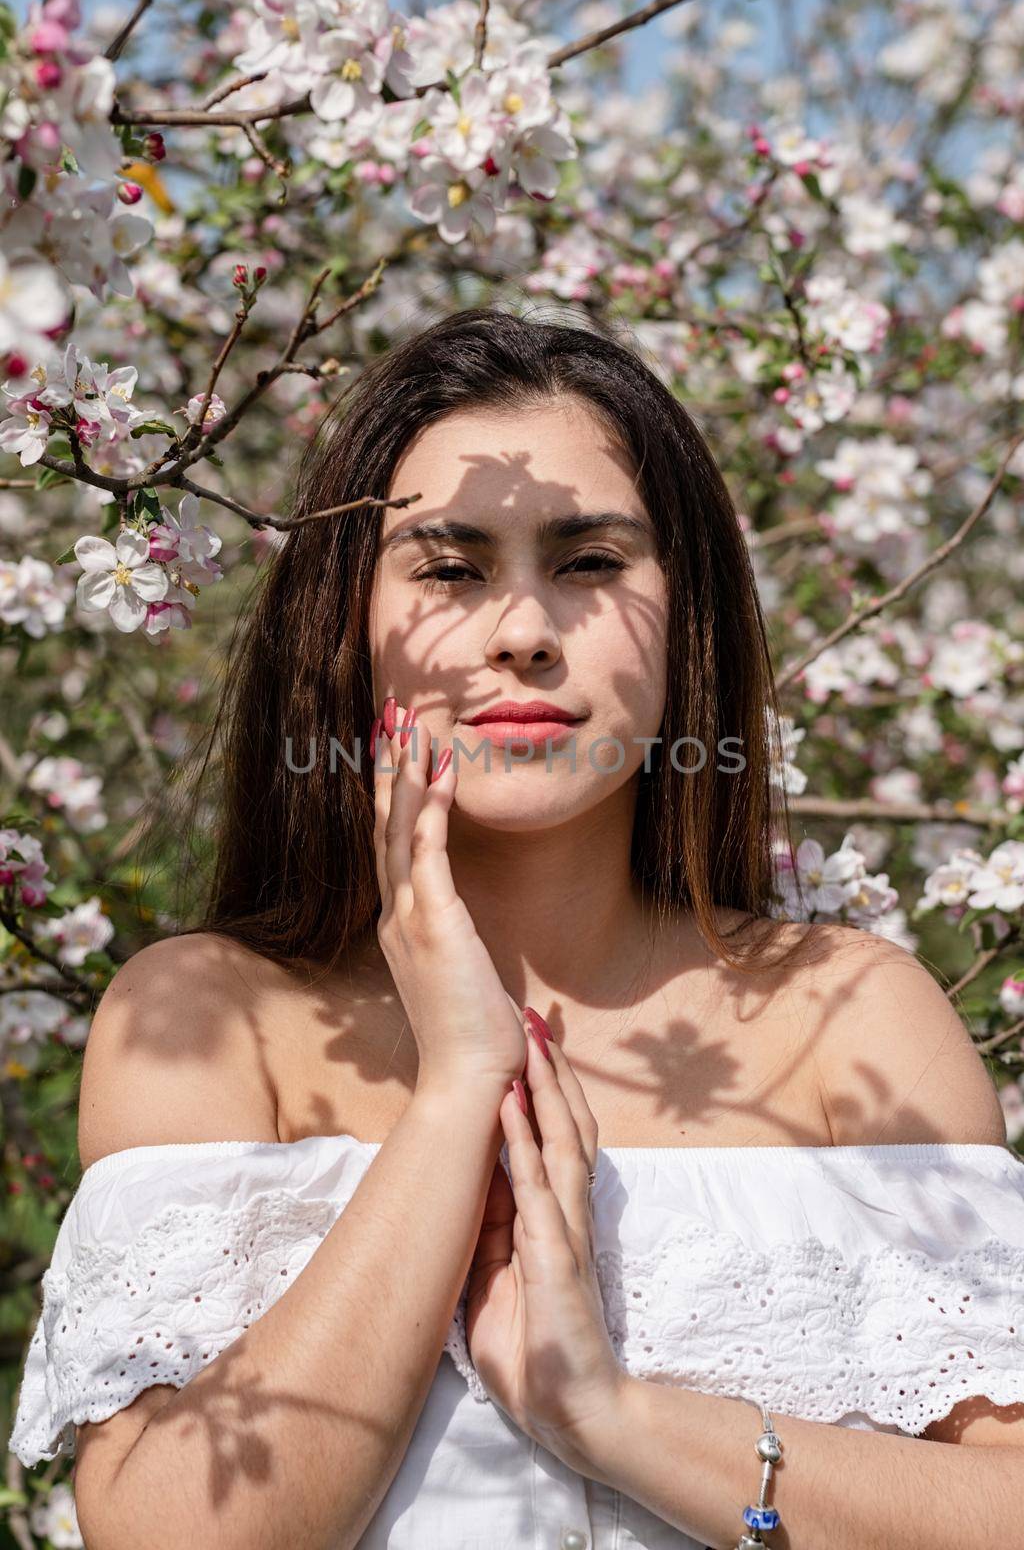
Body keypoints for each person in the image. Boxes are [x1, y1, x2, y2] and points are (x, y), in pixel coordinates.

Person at [9, 306, 1024, 1550]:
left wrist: (611, 1416)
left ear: (685, 612)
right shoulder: (205, 1021)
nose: (525, 630)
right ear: (346, 625)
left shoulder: (846, 1018)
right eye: (449, 567)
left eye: (591, 562)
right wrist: (455, 1093)